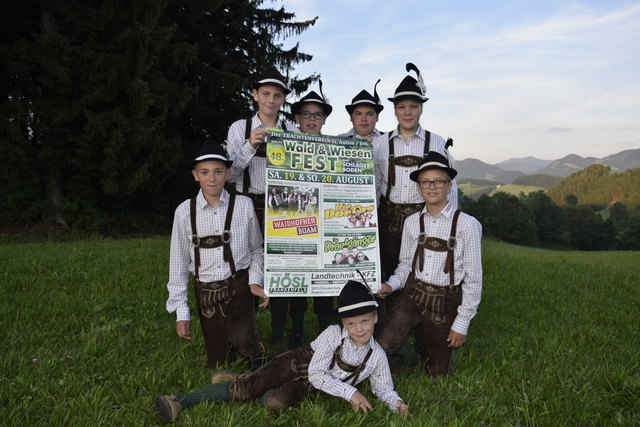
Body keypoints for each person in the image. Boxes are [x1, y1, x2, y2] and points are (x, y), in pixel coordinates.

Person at [154, 280, 409, 423]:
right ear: (343, 322)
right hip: (298, 364)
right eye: (351, 323)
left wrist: (395, 402)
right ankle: (179, 400)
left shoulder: (376, 356)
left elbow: (382, 387)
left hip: (311, 386)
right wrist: (350, 392)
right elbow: (318, 373)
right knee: (244, 393)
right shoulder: (333, 334)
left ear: (375, 317)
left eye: (365, 321)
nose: (359, 329)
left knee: (274, 402)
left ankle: (246, 379)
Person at [375, 152, 482, 377]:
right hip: (413, 292)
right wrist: (390, 286)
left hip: (446, 299)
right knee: (383, 343)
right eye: (425, 181)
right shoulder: (413, 222)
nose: (431, 187)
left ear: (449, 185)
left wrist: (462, 323)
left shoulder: (467, 225)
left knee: (437, 372)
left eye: (438, 181)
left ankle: (426, 359)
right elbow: (405, 265)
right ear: (419, 187)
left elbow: (473, 279)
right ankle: (395, 361)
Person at [165, 140, 269, 370]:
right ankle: (226, 347)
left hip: (238, 284)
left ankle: (256, 355)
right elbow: (178, 264)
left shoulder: (243, 205)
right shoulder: (184, 212)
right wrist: (181, 311)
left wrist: (254, 282)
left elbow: (256, 249)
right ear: (195, 175)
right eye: (205, 172)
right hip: (206, 291)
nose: (211, 178)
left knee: (243, 340)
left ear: (228, 173)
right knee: (220, 362)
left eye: (218, 171)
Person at [374, 63, 458, 282]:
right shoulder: (380, 144)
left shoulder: (436, 141)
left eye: (413, 106)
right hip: (388, 219)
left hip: (425, 217)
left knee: (424, 268)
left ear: (421, 108)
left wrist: (451, 221)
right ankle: (389, 315)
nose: (407, 112)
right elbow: (374, 183)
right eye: (402, 107)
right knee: (389, 270)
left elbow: (450, 184)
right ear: (395, 110)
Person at [285, 82, 336, 347]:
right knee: (297, 272)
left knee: (323, 273)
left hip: (326, 218)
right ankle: (296, 330)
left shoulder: (334, 146)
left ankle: (325, 328)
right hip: (296, 217)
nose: (312, 119)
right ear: (297, 118)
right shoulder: (284, 144)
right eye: (306, 114)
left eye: (317, 114)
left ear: (324, 119)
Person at [226, 67, 298, 232]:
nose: (271, 100)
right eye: (266, 94)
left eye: (277, 95)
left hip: (284, 208)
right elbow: (230, 176)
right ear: (255, 94)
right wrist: (249, 146)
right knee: (246, 256)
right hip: (246, 205)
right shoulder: (239, 128)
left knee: (281, 257)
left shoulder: (293, 132)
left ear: (283, 99)